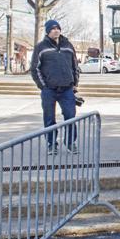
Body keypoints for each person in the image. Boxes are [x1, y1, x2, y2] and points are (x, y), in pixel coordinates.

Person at [30, 19, 80, 155]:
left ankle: (70, 142)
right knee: (49, 118)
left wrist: (75, 84)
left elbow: (75, 66)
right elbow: (35, 69)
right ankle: (52, 144)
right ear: (47, 31)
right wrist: (43, 86)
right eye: (52, 28)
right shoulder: (41, 47)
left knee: (70, 116)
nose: (56, 30)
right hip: (49, 90)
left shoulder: (68, 45)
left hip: (67, 89)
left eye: (58, 28)